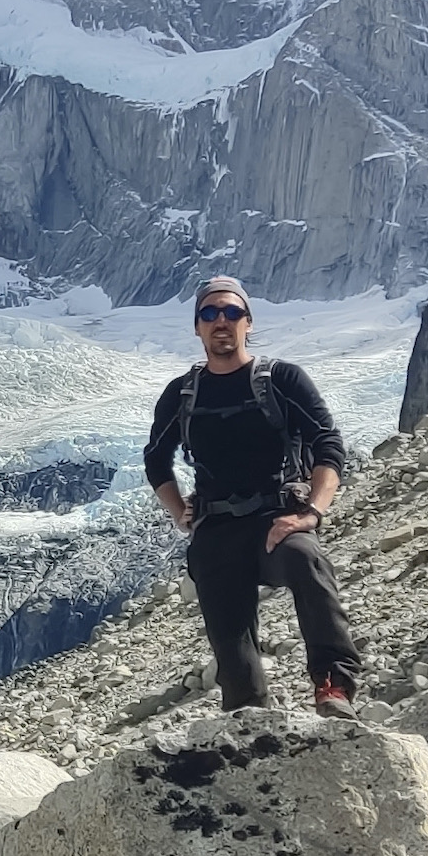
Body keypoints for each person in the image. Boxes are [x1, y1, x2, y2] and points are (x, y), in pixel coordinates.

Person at [143, 275, 361, 716]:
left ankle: (333, 685)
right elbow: (155, 459)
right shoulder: (182, 394)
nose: (221, 321)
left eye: (231, 312)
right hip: (217, 531)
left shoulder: (282, 380)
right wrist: (180, 512)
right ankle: (248, 719)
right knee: (233, 656)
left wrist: (312, 512)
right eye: (209, 313)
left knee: (306, 561)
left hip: (276, 519)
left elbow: (328, 445)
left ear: (248, 322)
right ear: (197, 327)